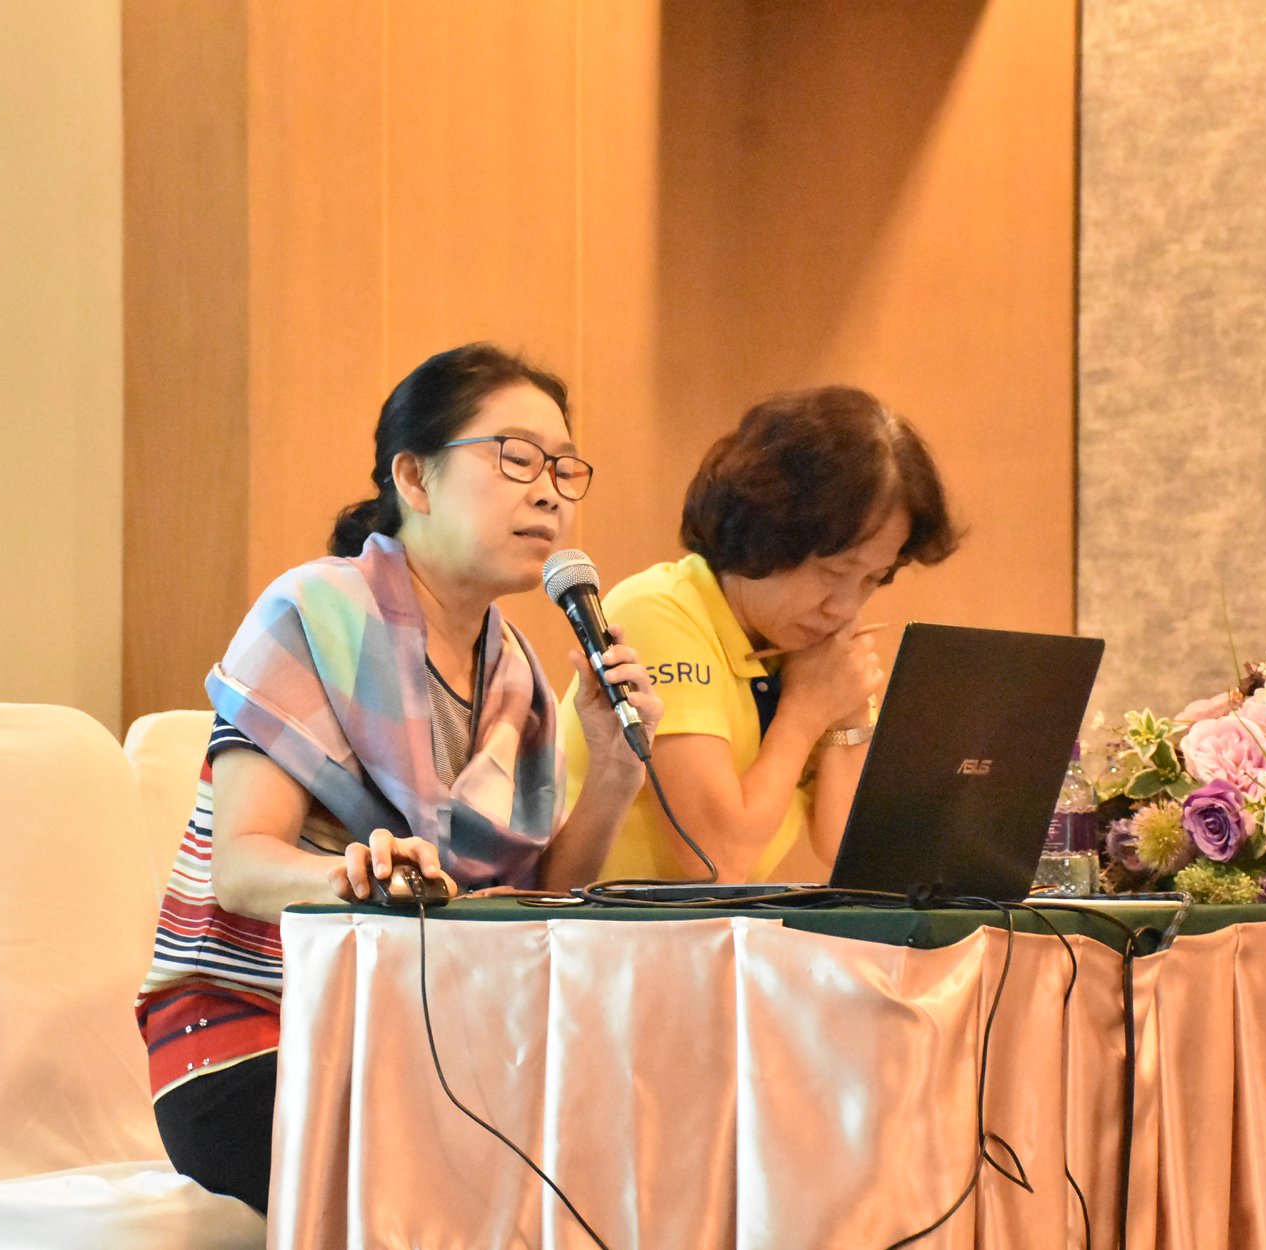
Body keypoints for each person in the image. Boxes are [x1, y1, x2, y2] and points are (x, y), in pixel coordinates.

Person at [134, 343, 661, 1214]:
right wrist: (358, 880)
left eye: (564, 469)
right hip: (256, 1038)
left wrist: (610, 769)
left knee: (632, 1130)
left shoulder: (518, 678)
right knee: (502, 1175)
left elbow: (536, 911)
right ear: (413, 478)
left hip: (431, 1038)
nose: (549, 493)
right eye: (516, 458)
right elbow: (242, 866)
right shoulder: (313, 612)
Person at [560, 386, 958, 883]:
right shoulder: (659, 612)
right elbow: (715, 860)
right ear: (766, 532)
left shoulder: (803, 640)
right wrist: (805, 713)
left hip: (716, 929)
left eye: (873, 579)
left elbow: (847, 845)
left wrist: (846, 710)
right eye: (833, 572)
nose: (844, 607)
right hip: (601, 927)